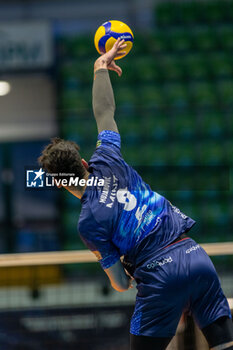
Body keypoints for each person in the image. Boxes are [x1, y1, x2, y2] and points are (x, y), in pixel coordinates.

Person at [39, 38, 233, 350]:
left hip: (159, 275)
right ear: (85, 163)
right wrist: (99, 68)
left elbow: (118, 283)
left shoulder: (88, 223)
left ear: (59, 183)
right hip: (195, 256)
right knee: (224, 344)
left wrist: (126, 278)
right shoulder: (108, 157)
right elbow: (105, 110)